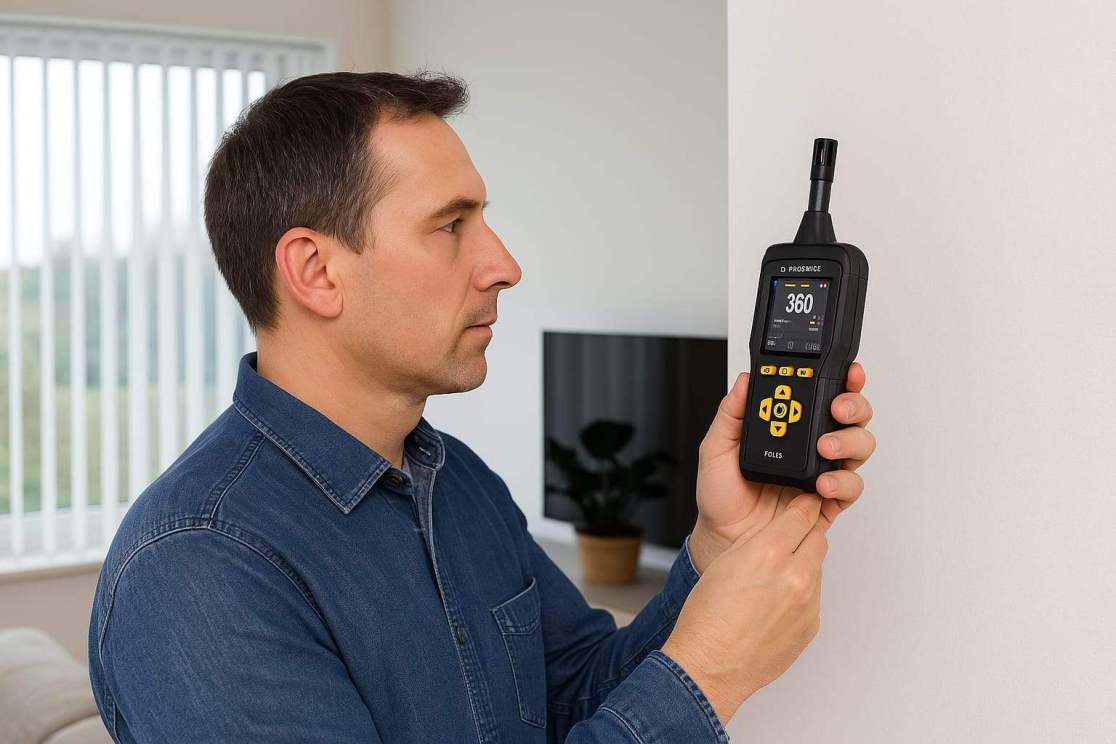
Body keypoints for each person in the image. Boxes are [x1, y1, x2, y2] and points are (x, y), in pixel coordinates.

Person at [87, 71, 876, 743]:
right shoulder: (197, 567)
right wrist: (707, 676)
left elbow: (578, 693)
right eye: (451, 226)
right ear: (317, 272)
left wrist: (715, 547)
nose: (504, 265)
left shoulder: (457, 483)